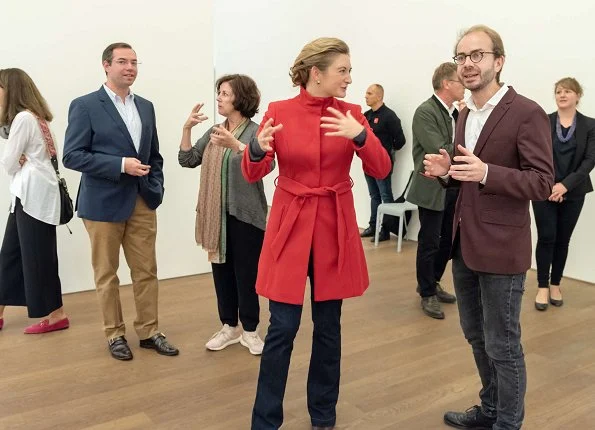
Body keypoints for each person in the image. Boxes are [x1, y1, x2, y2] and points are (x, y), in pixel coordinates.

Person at [243, 37, 391, 430]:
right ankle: (265, 420)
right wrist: (256, 149)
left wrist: (359, 135)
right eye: (342, 70)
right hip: (291, 224)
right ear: (316, 73)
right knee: (283, 327)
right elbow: (254, 172)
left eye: (349, 71)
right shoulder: (279, 111)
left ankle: (323, 416)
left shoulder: (352, 113)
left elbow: (381, 169)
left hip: (334, 227)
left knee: (329, 327)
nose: (348, 78)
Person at [423, 25, 553, 429]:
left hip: (502, 247)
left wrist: (485, 173)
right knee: (476, 336)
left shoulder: (526, 111)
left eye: (476, 55)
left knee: (503, 345)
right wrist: (450, 173)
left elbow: (542, 182)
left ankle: (507, 423)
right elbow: (469, 176)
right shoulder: (464, 112)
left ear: (499, 61)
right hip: (466, 243)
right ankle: (492, 408)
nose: (467, 65)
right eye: (461, 57)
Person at [63, 42, 178, 361]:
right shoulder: (85, 105)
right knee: (107, 273)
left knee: (146, 270)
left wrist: (155, 184)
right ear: (106, 65)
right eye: (123, 62)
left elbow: (154, 153)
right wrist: (119, 165)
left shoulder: (146, 106)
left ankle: (150, 331)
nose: (130, 67)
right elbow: (72, 155)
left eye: (135, 62)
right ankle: (114, 334)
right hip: (102, 203)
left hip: (142, 199)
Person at [178, 74, 268, 355]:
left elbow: (267, 163)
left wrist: (238, 146)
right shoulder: (215, 130)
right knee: (222, 272)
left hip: (246, 215)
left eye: (225, 93)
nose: (219, 98)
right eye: (219, 92)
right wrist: (186, 129)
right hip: (216, 215)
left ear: (240, 98)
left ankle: (250, 331)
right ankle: (229, 327)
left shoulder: (256, 131)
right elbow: (188, 159)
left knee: (246, 274)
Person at [0, 68, 69, 334]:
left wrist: (14, 160)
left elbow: (8, 163)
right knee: (10, 254)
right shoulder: (34, 118)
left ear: (10, 90)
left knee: (39, 257)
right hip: (26, 197)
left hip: (33, 197)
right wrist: (15, 159)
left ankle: (56, 315)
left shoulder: (23, 119)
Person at [533, 77, 595, 310]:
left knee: (562, 240)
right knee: (546, 236)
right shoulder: (543, 121)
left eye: (568, 91)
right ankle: (542, 286)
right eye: (558, 91)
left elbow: (590, 160)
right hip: (543, 189)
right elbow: (536, 155)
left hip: (574, 191)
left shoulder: (590, 125)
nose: (562, 95)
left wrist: (564, 186)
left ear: (578, 96)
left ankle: (556, 283)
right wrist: (550, 185)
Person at [407, 63, 463, 319]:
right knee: (429, 241)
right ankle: (427, 292)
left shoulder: (457, 113)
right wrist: (465, 147)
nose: (465, 85)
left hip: (453, 185)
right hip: (431, 187)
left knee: (448, 240)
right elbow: (440, 149)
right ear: (446, 84)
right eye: (460, 81)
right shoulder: (425, 112)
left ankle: (433, 280)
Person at [359, 84, 406, 241]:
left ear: (379, 96)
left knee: (386, 196)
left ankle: (384, 231)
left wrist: (386, 154)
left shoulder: (389, 116)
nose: (366, 96)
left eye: (369, 93)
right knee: (374, 195)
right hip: (368, 163)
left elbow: (400, 141)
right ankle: (373, 226)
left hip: (382, 164)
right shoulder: (366, 116)